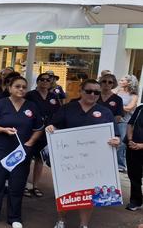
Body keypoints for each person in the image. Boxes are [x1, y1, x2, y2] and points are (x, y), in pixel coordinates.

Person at [47, 79, 120, 228]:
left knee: (89, 193)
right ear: (81, 91)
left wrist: (116, 141)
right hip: (68, 161)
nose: (92, 94)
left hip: (94, 162)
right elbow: (54, 124)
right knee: (66, 191)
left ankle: (84, 224)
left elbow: (116, 135)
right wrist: (51, 127)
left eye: (96, 92)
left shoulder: (106, 112)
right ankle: (61, 220)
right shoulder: (68, 108)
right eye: (89, 91)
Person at [0, 76, 43, 228]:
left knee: (17, 185)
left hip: (20, 154)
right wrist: (3, 129)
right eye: (17, 86)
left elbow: (39, 128)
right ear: (10, 88)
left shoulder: (31, 106)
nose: (21, 89)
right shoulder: (0, 104)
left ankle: (14, 217)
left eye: (24, 87)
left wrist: (30, 142)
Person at [24, 73, 60, 198]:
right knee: (27, 159)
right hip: (32, 130)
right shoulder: (30, 95)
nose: (45, 82)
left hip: (46, 132)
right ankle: (24, 185)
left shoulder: (53, 96)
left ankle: (35, 185)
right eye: (42, 79)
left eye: (47, 80)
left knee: (40, 160)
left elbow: (58, 113)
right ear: (38, 81)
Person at [96, 74, 125, 173]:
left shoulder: (117, 99)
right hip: (92, 130)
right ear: (100, 82)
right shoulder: (94, 95)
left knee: (105, 153)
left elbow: (118, 116)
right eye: (104, 81)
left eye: (110, 82)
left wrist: (105, 127)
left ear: (113, 84)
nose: (106, 84)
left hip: (109, 130)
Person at [117, 75, 140, 173]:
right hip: (114, 120)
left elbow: (129, 108)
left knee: (122, 143)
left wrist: (115, 105)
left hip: (125, 121)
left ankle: (121, 165)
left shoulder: (134, 96)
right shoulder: (117, 92)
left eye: (123, 80)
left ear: (129, 83)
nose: (120, 81)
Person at [126, 102, 143, 211]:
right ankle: (136, 201)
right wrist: (130, 139)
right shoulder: (140, 108)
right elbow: (130, 124)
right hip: (133, 147)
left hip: (140, 146)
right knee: (134, 175)